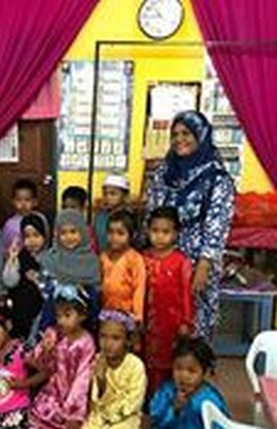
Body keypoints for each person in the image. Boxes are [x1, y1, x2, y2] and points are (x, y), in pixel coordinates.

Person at [144, 110, 235, 338]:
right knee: (160, 318)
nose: (179, 139)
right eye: (175, 134)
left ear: (200, 135)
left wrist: (204, 265)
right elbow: (151, 212)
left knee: (193, 322)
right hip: (162, 258)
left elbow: (218, 224)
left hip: (197, 262)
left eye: (186, 133)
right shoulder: (164, 172)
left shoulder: (217, 178)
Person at [67, 309, 147, 429]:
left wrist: (114, 417)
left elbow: (135, 402)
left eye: (115, 338)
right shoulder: (98, 359)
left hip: (125, 416)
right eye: (103, 336)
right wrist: (101, 379)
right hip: (101, 415)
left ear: (127, 341)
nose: (108, 343)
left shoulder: (136, 365)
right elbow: (95, 401)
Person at [141, 337, 229, 429]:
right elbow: (156, 419)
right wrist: (174, 409)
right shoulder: (167, 390)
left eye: (191, 371)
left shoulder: (210, 399)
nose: (183, 376)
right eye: (178, 369)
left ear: (204, 372)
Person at [28, 284, 96, 429]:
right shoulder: (55, 334)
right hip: (54, 389)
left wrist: (73, 409)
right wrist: (45, 349)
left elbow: (82, 378)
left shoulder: (86, 342)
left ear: (82, 316)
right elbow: (43, 364)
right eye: (58, 316)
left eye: (67, 315)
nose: (61, 321)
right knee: (38, 416)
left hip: (72, 394)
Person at [143, 206, 194, 396]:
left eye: (165, 232)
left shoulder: (181, 261)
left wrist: (186, 322)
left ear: (175, 234)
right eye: (155, 231)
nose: (159, 237)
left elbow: (187, 294)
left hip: (171, 323)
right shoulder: (142, 257)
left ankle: (167, 400)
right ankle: (147, 400)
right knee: (146, 361)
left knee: (168, 362)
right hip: (147, 322)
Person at [40, 209, 101, 332]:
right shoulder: (51, 258)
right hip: (54, 321)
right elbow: (45, 291)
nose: (69, 237)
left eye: (73, 231)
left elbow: (94, 296)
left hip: (83, 324)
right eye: (63, 233)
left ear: (83, 232)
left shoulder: (91, 260)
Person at [2, 212, 49, 340]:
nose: (32, 240)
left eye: (36, 235)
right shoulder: (21, 256)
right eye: (27, 236)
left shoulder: (51, 258)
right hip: (21, 312)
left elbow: (52, 290)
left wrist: (38, 279)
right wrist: (12, 259)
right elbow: (9, 282)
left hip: (41, 315)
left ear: (45, 235)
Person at [100, 209, 146, 325]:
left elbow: (139, 288)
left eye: (120, 233)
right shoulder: (103, 256)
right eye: (110, 232)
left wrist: (138, 316)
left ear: (132, 235)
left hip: (127, 313)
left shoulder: (134, 259)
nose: (114, 237)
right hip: (106, 311)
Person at [1, 179, 44, 254]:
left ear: (35, 202)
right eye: (18, 200)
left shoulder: (40, 218)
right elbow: (5, 246)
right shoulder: (10, 225)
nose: (23, 204)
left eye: (27, 200)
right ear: (13, 201)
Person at [93, 173, 132, 251]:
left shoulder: (130, 217)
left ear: (124, 195)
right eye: (105, 194)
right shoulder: (100, 216)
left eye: (113, 194)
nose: (108, 197)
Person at [61, 186, 97, 253]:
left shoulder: (89, 232)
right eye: (65, 207)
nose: (68, 211)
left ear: (83, 207)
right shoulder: (60, 230)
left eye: (73, 207)